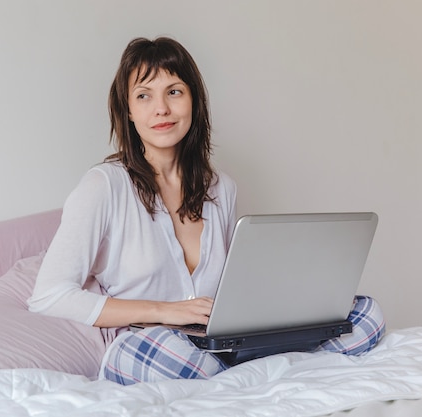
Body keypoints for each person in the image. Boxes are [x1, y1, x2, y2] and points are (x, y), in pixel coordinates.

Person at [28, 36, 385, 385]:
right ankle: (274, 375)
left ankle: (251, 376)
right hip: (154, 343)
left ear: (194, 101)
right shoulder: (104, 186)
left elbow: (234, 288)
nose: (162, 109)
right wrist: (163, 311)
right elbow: (50, 295)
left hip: (221, 343)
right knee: (171, 357)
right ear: (129, 112)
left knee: (367, 314)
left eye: (174, 92)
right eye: (144, 96)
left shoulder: (221, 188)